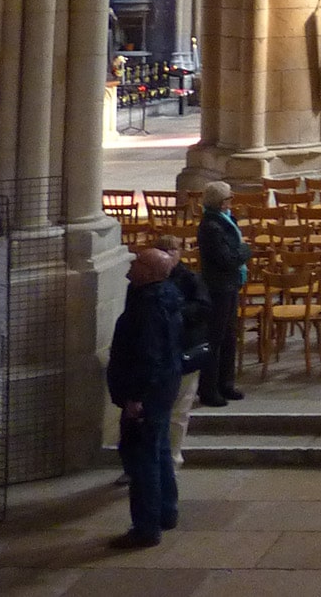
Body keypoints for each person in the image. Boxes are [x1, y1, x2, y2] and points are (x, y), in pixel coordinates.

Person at [106, 246, 183, 549]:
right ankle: (167, 511)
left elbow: (147, 356)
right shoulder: (163, 296)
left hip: (148, 392)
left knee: (143, 460)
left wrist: (135, 397)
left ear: (150, 273)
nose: (131, 263)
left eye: (138, 262)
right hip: (164, 387)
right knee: (160, 449)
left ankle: (146, 527)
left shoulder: (149, 307)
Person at [156, 233, 212, 467]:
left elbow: (203, 308)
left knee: (179, 410)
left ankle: (173, 459)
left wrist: (176, 314)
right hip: (158, 354)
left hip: (185, 348)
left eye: (174, 249)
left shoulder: (190, 279)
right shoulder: (150, 280)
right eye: (164, 249)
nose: (170, 254)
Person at [194, 181, 250, 406]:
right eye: (229, 199)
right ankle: (209, 389)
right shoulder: (211, 226)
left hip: (229, 285)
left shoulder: (224, 220)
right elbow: (227, 258)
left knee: (228, 336)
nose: (231, 202)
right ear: (221, 202)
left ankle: (226, 384)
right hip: (218, 287)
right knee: (215, 338)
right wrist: (245, 251)